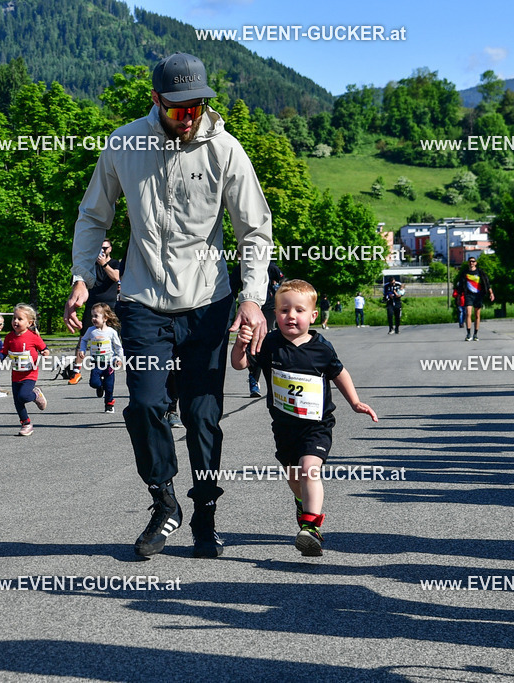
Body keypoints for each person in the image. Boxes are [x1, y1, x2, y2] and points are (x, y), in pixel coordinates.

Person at [65, 52, 274, 559]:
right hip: (142, 299)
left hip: (207, 302)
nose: (188, 116)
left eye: (197, 106)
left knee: (204, 417)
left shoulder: (225, 149)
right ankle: (164, 503)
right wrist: (81, 274)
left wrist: (252, 297)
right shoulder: (124, 143)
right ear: (155, 100)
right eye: (178, 107)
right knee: (145, 405)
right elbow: (94, 214)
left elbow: (254, 228)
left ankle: (205, 514)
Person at [231, 279, 378, 556]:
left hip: (317, 425)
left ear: (312, 316)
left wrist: (355, 402)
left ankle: (310, 527)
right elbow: (239, 365)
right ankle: (301, 501)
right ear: (275, 314)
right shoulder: (268, 343)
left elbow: (339, 373)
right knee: (294, 474)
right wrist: (240, 345)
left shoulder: (321, 347)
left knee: (310, 468)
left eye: (299, 311)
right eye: (284, 310)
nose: (291, 316)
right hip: (284, 427)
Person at [69, 238, 121, 385]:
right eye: (100, 248)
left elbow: (116, 277)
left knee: (112, 337)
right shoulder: (90, 264)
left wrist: (103, 263)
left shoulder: (115, 263)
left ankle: (110, 366)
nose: (102, 251)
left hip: (110, 305)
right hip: (92, 304)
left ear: (110, 249)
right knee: (84, 337)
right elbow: (78, 279)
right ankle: (76, 371)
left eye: (105, 248)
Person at [231, 261, 284, 398]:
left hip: (268, 308)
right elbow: (232, 289)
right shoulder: (239, 269)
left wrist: (277, 292)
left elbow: (281, 280)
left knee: (265, 342)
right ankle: (254, 379)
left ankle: (277, 380)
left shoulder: (269, 266)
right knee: (251, 345)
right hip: (249, 309)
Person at [0, 304, 50, 436]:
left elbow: (44, 347)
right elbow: (4, 351)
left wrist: (45, 352)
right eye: (14, 318)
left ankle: (36, 394)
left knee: (24, 396)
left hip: (30, 374)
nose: (15, 321)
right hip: (16, 375)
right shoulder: (10, 337)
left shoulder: (32, 336)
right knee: (17, 401)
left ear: (29, 322)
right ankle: (26, 424)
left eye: (20, 319)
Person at [76, 303, 124, 413]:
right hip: (96, 363)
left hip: (109, 364)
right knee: (94, 383)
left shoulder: (111, 332)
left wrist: (119, 358)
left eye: (96, 316)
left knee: (109, 386)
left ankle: (109, 404)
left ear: (105, 318)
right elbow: (84, 340)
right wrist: (82, 350)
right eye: (92, 316)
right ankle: (99, 387)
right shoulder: (91, 331)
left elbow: (118, 347)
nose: (93, 319)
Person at [455, 257, 494, 342]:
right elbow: (461, 285)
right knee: (468, 313)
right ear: (468, 263)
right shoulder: (465, 273)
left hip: (478, 295)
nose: (471, 263)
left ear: (475, 263)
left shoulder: (480, 272)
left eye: (473, 261)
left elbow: (486, 283)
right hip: (468, 295)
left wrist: (491, 293)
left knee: (477, 315)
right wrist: (458, 296)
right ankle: (468, 334)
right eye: (470, 261)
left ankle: (475, 334)